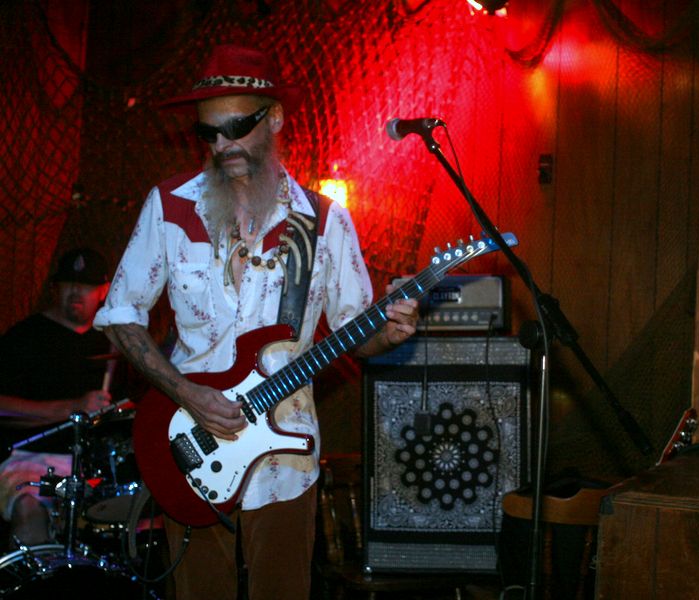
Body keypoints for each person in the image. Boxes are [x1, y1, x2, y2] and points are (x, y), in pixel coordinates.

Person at [93, 44, 418, 600]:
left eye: (237, 128)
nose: (223, 146)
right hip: (189, 445)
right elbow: (121, 316)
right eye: (209, 133)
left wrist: (388, 332)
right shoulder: (169, 206)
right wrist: (187, 394)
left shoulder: (324, 221)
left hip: (286, 457)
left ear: (275, 119)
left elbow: (354, 331)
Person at [0, 247, 112, 547]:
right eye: (68, 283)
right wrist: (72, 408)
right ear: (55, 288)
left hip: (93, 469)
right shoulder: (24, 337)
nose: (76, 291)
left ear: (104, 291)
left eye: (86, 285)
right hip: (30, 459)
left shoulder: (113, 344)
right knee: (30, 510)